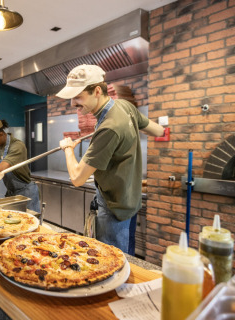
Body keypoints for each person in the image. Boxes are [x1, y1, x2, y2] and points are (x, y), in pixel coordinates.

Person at [57, 64, 165, 255]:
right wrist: (165, 129)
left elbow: (77, 178)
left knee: (112, 262)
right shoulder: (124, 106)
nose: (73, 103)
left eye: (78, 97)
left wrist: (68, 149)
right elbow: (157, 130)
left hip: (114, 207)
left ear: (97, 91)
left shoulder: (108, 127)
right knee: (128, 258)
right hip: (130, 200)